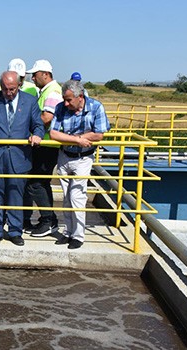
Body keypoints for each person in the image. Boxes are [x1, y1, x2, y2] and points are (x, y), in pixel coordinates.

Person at [0, 71, 44, 246]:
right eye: (5, 89)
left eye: (13, 89)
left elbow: (38, 124)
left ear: (19, 86)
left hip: (18, 156)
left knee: (16, 195)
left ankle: (15, 231)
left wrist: (37, 135)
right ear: (0, 86)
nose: (9, 93)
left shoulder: (30, 102)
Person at [50, 80, 110, 249]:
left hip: (83, 158)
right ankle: (68, 232)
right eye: (65, 99)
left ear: (80, 97)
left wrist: (69, 137)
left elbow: (99, 135)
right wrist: (78, 139)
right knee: (67, 197)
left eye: (69, 100)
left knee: (77, 196)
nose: (66, 103)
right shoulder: (61, 108)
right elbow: (54, 133)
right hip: (64, 156)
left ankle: (78, 235)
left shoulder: (96, 107)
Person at [23, 59, 63, 237]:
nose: (32, 78)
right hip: (44, 144)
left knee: (36, 184)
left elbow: (47, 117)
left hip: (46, 145)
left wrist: (28, 127)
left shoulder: (52, 91)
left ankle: (49, 220)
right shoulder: (47, 90)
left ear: (45, 74)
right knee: (40, 183)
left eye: (35, 74)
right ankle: (47, 219)